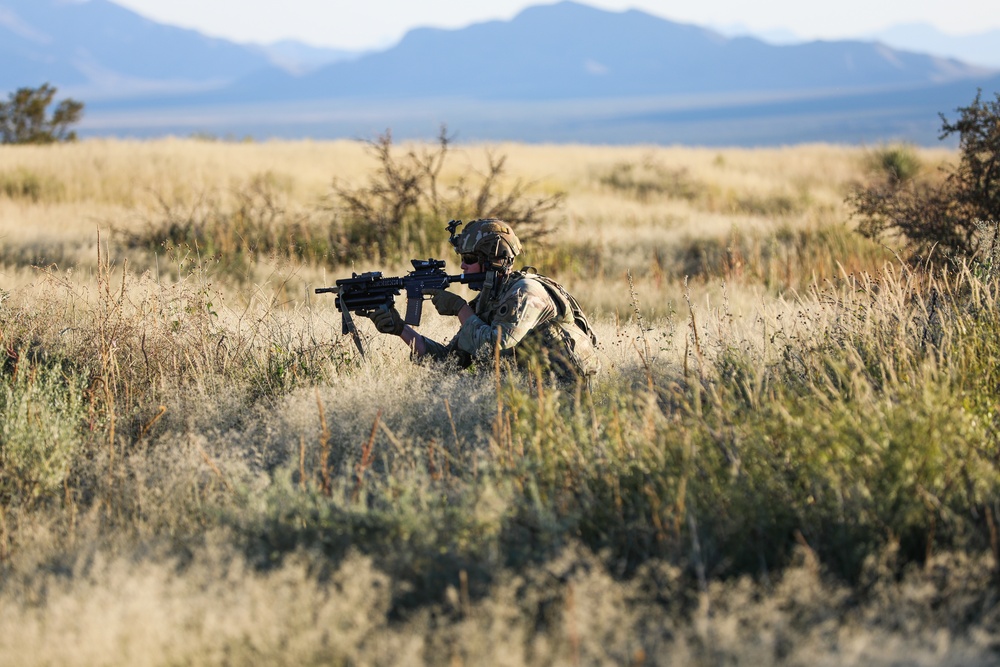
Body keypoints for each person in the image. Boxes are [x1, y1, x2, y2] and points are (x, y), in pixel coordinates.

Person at [365, 218, 600, 386]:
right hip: (524, 394)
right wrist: (401, 330)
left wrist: (460, 308)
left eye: (469, 259)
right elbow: (449, 363)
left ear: (492, 260)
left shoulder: (527, 293)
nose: (463, 266)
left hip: (563, 395)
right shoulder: (489, 300)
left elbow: (496, 345)